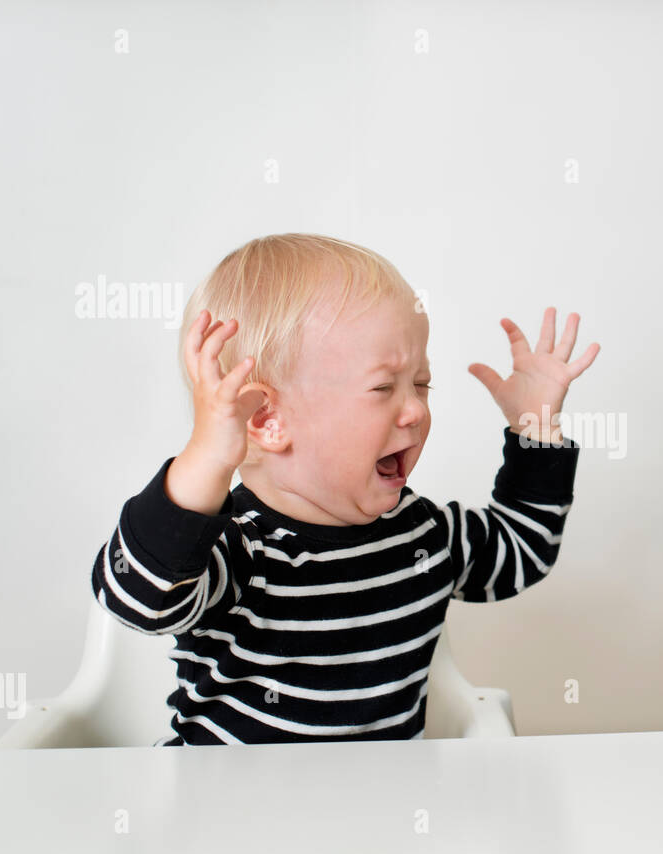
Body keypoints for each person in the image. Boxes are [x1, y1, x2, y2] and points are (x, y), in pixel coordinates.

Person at [91, 234, 598, 744]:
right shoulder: (241, 549)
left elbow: (522, 550)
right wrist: (206, 457)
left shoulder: (422, 535)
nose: (417, 410)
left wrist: (536, 430)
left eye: (422, 384)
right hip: (228, 813)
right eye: (383, 387)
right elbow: (138, 599)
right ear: (266, 418)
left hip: (377, 812)